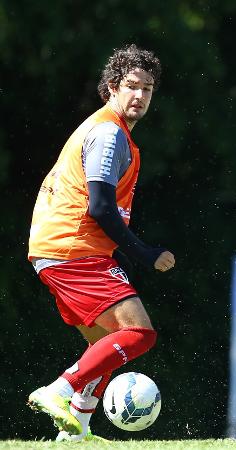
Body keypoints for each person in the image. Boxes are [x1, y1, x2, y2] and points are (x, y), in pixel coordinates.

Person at [27, 44, 175, 442]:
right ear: (112, 87)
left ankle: (75, 433)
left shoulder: (109, 129)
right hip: (73, 249)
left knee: (106, 346)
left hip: (60, 248)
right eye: (131, 86)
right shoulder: (109, 133)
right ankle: (58, 389)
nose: (140, 96)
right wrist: (144, 253)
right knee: (140, 334)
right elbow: (100, 207)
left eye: (148, 89)